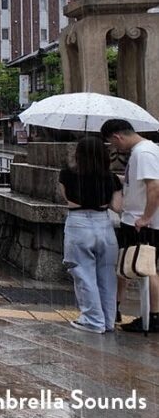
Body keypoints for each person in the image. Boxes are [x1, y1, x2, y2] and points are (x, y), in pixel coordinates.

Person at [58, 135, 123, 334]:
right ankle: (108, 320)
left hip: (78, 224)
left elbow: (66, 198)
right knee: (107, 275)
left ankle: (93, 320)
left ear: (78, 154)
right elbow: (118, 207)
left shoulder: (67, 174)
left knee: (83, 273)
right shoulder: (111, 178)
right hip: (104, 224)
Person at [100, 119, 159, 332]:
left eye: (113, 143)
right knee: (125, 265)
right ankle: (116, 306)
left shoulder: (144, 153)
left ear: (117, 137)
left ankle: (153, 316)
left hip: (141, 223)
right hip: (134, 219)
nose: (115, 149)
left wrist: (145, 217)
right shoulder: (142, 152)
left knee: (146, 268)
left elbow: (154, 188)